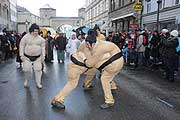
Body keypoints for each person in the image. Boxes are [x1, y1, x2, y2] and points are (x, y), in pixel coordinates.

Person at [51, 29, 124, 109]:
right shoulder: (90, 47)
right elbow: (90, 63)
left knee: (101, 75)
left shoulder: (95, 47)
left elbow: (92, 64)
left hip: (85, 65)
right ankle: (57, 99)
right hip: (75, 67)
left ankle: (89, 85)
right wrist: (85, 58)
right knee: (72, 84)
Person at [19, 23, 45, 89]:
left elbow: (43, 48)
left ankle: (38, 83)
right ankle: (26, 80)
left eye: (37, 31)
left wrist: (43, 56)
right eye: (34, 31)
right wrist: (21, 55)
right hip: (27, 57)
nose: (36, 32)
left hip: (37, 57)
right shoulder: (25, 37)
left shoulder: (41, 39)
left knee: (38, 70)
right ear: (31, 30)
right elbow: (21, 45)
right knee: (26, 70)